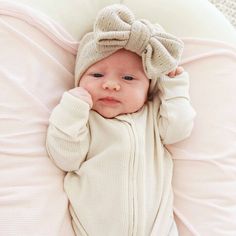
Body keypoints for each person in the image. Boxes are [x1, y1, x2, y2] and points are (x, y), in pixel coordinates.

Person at [46, 4, 196, 236]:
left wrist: (174, 86)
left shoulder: (152, 117)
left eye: (128, 78)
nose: (111, 84)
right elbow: (65, 158)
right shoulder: (85, 121)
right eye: (97, 75)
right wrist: (71, 109)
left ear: (148, 90)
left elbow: (180, 128)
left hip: (159, 229)